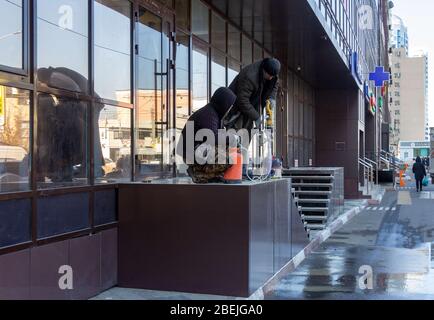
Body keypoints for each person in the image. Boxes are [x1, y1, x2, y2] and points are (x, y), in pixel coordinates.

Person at [177, 87, 237, 184]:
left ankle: (209, 175)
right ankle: (198, 172)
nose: (230, 109)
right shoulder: (208, 115)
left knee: (228, 151)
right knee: (227, 159)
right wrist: (232, 138)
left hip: (198, 150)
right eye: (230, 105)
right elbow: (213, 137)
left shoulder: (214, 114)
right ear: (223, 103)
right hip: (192, 153)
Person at [226, 58, 281, 133]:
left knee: (247, 133)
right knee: (234, 132)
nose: (271, 78)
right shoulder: (249, 76)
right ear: (264, 70)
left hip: (252, 105)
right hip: (236, 107)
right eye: (269, 75)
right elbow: (242, 100)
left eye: (273, 76)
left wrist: (272, 98)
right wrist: (257, 117)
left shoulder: (272, 71)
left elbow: (275, 83)